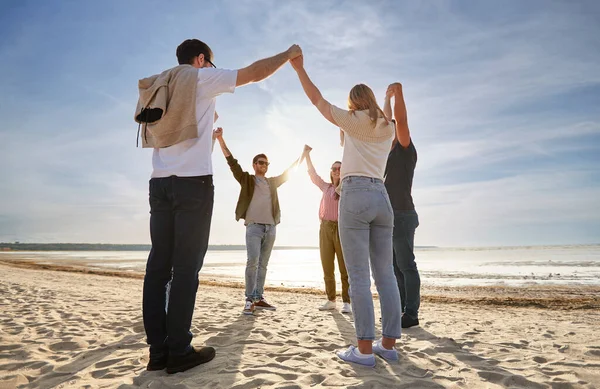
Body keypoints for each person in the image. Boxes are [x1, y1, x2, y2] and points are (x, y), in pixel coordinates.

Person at [135, 38, 302, 374]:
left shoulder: (159, 82)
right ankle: (179, 350)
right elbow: (253, 73)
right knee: (185, 270)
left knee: (157, 268)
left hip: (159, 182)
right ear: (201, 59)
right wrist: (287, 54)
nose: (212, 67)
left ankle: (157, 352)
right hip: (192, 185)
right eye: (210, 62)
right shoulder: (199, 77)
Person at [290, 54, 402, 367]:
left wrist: (300, 69)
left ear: (353, 103)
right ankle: (388, 345)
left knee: (358, 279)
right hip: (382, 197)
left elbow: (316, 99)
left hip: (355, 195)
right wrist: (386, 101)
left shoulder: (351, 121)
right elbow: (385, 116)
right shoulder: (387, 127)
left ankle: (365, 350)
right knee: (386, 275)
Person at [215, 128, 300, 315]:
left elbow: (288, 173)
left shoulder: (271, 182)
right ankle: (248, 299)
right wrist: (221, 139)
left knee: (263, 264)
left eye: (267, 163)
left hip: (271, 228)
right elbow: (232, 163)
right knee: (252, 262)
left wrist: (303, 155)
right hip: (253, 227)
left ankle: (258, 297)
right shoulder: (246, 179)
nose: (264, 166)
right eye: (261, 163)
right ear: (254, 165)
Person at [383, 83, 421, 328]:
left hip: (403, 215)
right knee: (396, 267)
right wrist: (385, 99)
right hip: (389, 216)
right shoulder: (386, 157)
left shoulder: (405, 151)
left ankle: (412, 314)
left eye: (393, 132)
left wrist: (398, 95)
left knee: (406, 265)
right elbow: (386, 122)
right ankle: (401, 311)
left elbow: (399, 121)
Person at [302, 145, 351, 314]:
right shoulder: (326, 187)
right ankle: (331, 300)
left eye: (340, 168)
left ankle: (347, 301)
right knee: (327, 265)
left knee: (344, 267)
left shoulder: (347, 188)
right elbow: (313, 175)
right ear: (331, 171)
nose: (337, 170)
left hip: (341, 229)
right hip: (324, 228)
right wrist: (307, 155)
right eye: (334, 168)